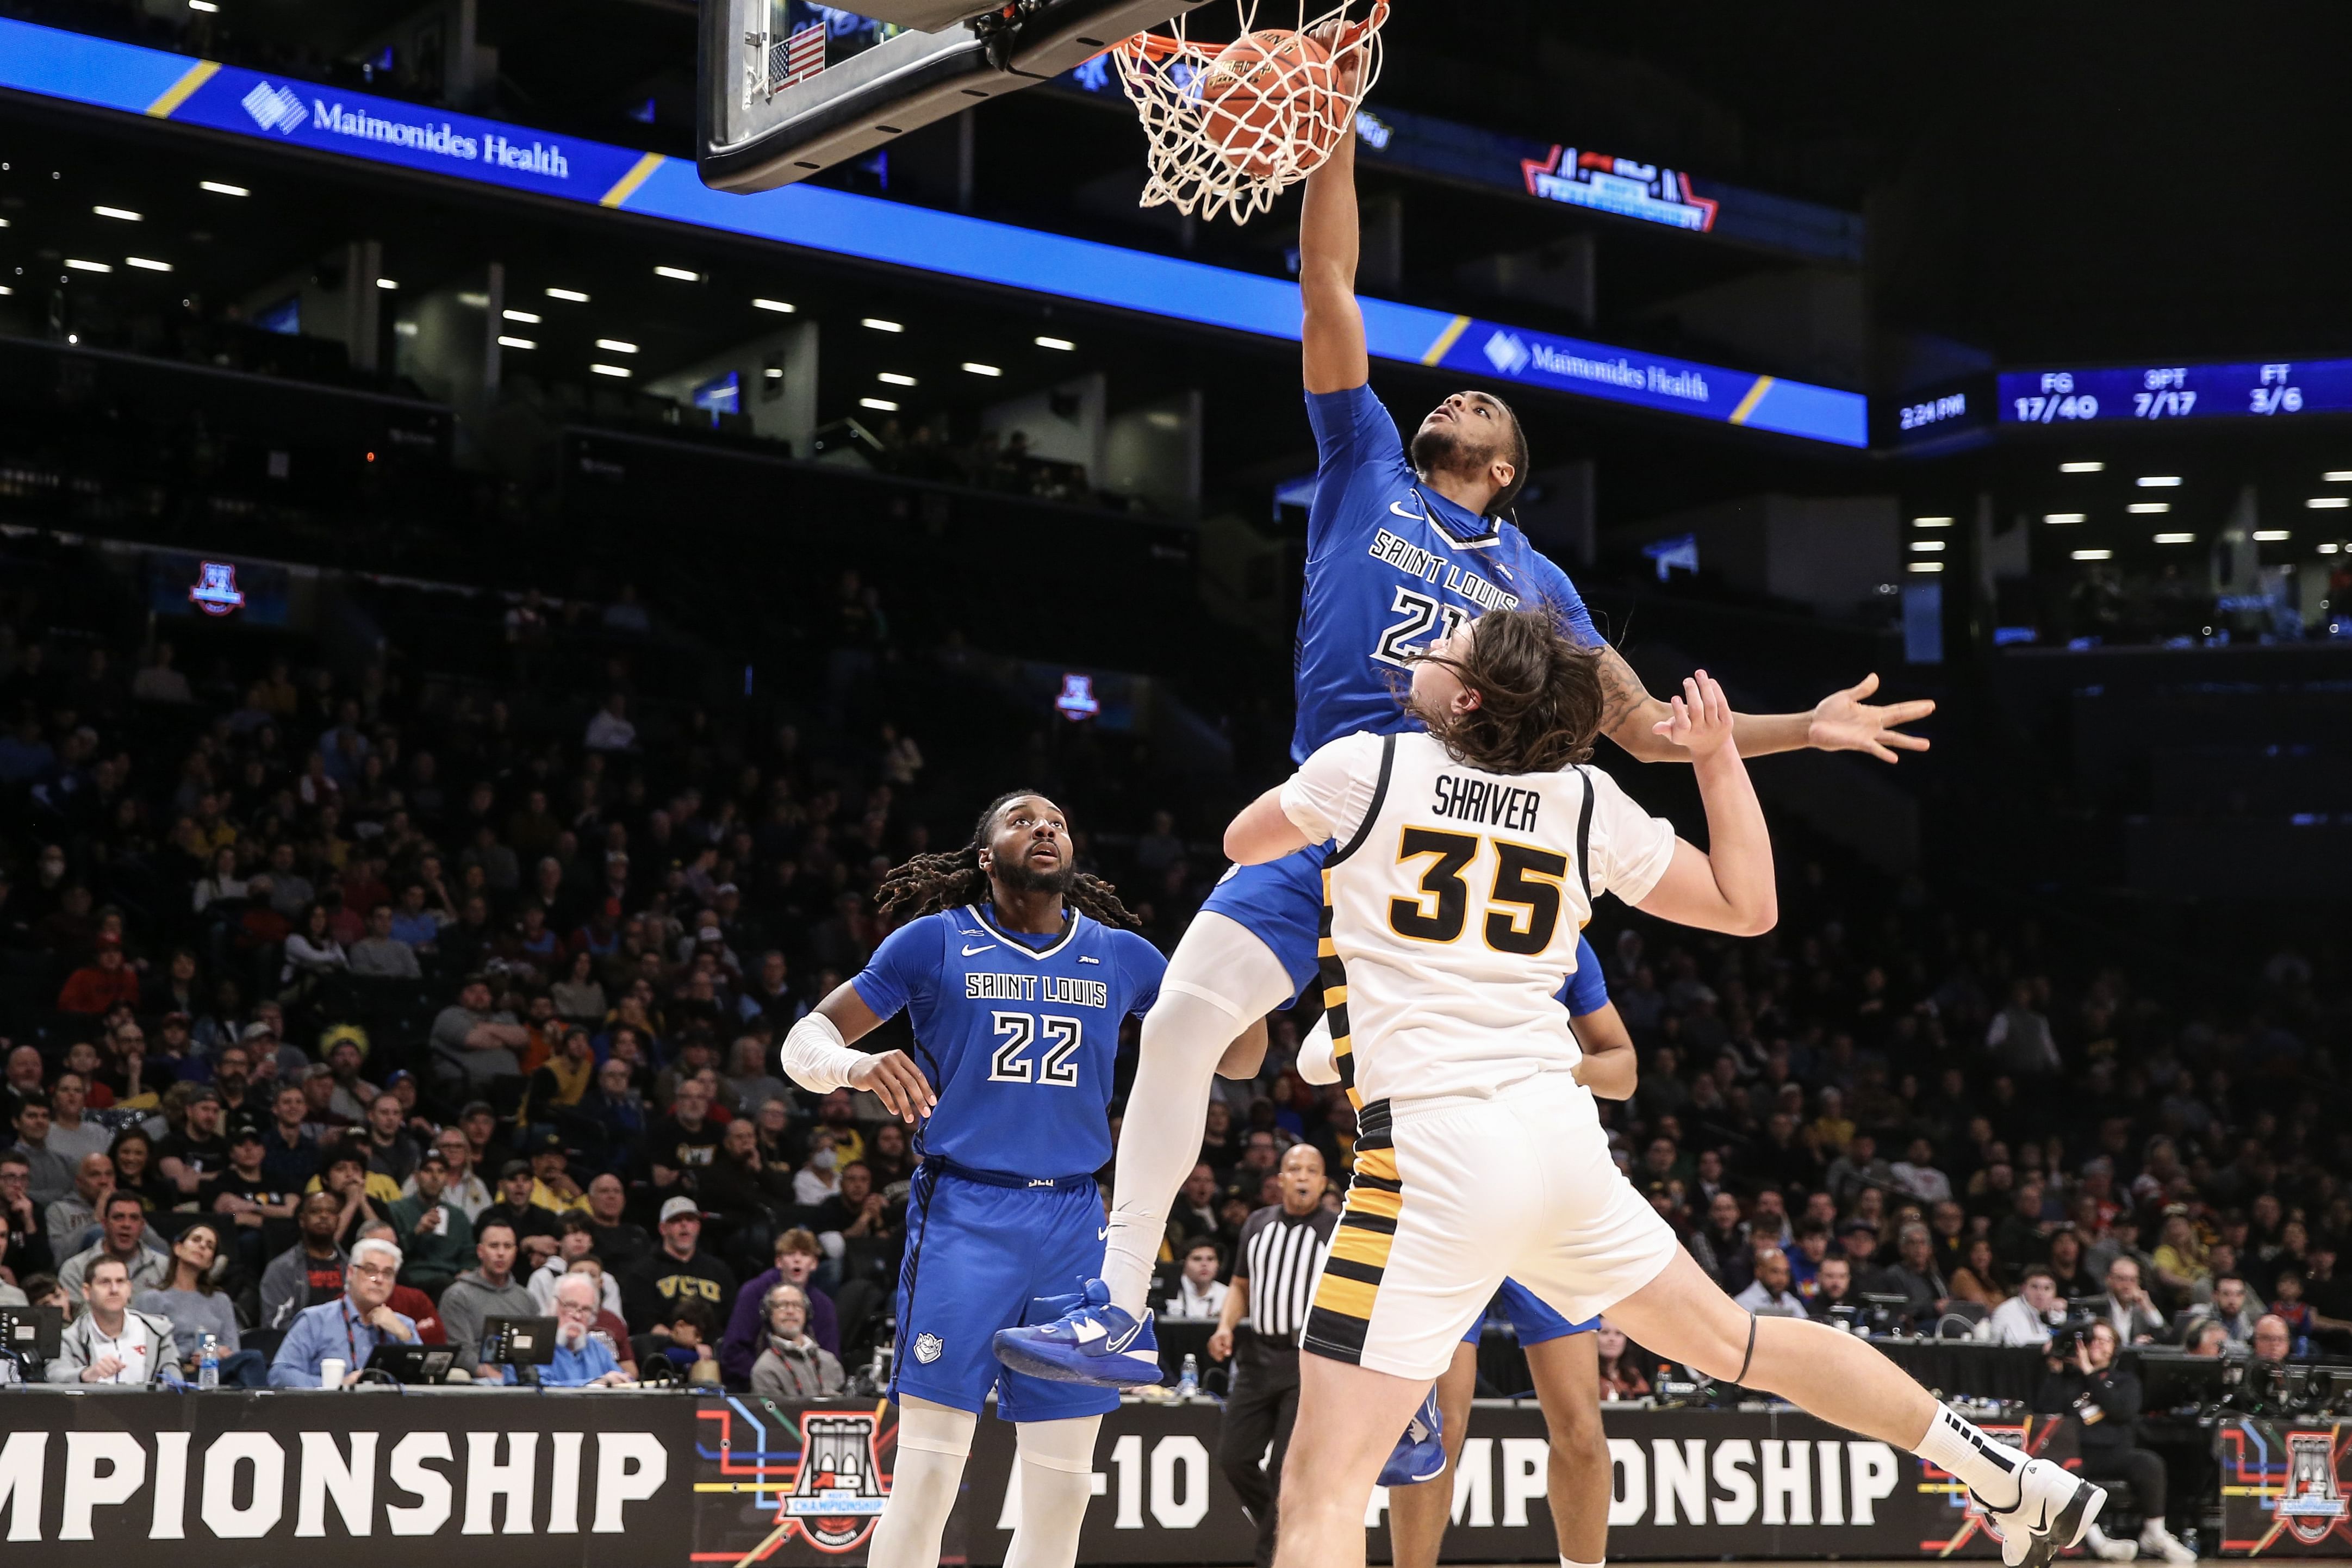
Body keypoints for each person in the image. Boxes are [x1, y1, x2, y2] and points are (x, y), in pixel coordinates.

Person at [1022, 76, 1934, 1417]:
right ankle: (1113, 1295)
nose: (1462, 398)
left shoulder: (1540, 587)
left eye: (1492, 412)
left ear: (1508, 469)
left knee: (1344, 1071)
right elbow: (1329, 281)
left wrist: (1806, 728)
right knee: (1174, 1026)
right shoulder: (1365, 463)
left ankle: (1336, 1083)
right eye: (1456, 397)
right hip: (1327, 813)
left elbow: (1651, 732)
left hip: (1432, 845)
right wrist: (1326, 124)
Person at [1018, 609, 2089, 1568]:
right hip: (1558, 1143)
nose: (1427, 648)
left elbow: (1244, 841)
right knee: (1739, 1344)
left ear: (1469, 696)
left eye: (1448, 649)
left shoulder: (1371, 765)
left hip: (1432, 1160)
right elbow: (1748, 903)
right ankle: (2006, 1474)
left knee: (1322, 1490)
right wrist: (1717, 757)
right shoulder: (1585, 799)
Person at [774, 790, 1211, 1568]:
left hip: (1076, 1223)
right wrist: (858, 1064)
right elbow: (801, 1043)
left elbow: (1231, 1051)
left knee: (1063, 1488)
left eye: (1058, 822)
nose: (1044, 827)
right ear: (985, 857)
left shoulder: (1123, 956)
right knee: (929, 1474)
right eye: (1021, 819)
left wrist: (1234, 997)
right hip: (963, 1217)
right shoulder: (933, 943)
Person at [1376, 948, 1640, 1568]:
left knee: (1578, 1427)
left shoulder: (1558, 929)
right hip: (1446, 1190)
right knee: (1439, 1425)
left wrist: (1556, 1067)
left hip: (1543, 1192)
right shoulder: (1425, 923)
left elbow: (1623, 1069)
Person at [1206, 1144, 1337, 1568]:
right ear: (1278, 1179)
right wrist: (1226, 1326)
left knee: (1285, 1468)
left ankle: (1273, 1559)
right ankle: (1292, 1531)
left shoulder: (1336, 1231)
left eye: (1311, 1171)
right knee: (1234, 1457)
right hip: (1257, 1357)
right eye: (1293, 1169)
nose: (1302, 1176)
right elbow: (1240, 1286)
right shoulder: (1258, 1225)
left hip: (1308, 1362)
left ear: (1323, 1181)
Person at [2034, 1320, 2195, 1563]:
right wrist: (2056, 1372)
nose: (2098, 1345)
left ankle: (2155, 1533)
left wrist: (2091, 1374)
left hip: (2114, 1453)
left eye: (2105, 1340)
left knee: (2149, 1463)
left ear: (2115, 1348)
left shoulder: (2125, 1381)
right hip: (2079, 1455)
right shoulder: (2066, 1381)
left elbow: (2121, 1411)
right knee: (2067, 1470)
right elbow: (2046, 1413)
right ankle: (2097, 1540)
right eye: (2092, 1340)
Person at [269, 1234, 417, 1387]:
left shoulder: (405, 1326)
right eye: (370, 1271)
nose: (379, 1279)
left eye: (387, 1273)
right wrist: (335, 1386)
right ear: (351, 1273)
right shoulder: (315, 1320)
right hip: (329, 1409)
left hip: (390, 1410)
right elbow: (280, 1375)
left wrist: (404, 1335)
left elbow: (427, 1380)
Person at [135, 1220, 265, 1387]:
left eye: (210, 1246)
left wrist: (212, 1354)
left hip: (214, 1371)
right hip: (175, 1373)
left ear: (210, 1262)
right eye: (196, 1240)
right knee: (249, 1366)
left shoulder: (220, 1300)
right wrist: (194, 1354)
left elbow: (233, 1350)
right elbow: (146, 1352)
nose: (203, 1246)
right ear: (178, 1248)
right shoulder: (151, 1299)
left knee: (250, 1362)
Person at [720, 1227, 841, 1382]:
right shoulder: (753, 1293)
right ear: (779, 1262)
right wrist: (770, 1378)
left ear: (814, 1264)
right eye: (790, 1254)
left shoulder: (824, 1305)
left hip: (809, 1389)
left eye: (805, 1255)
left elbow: (830, 1357)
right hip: (757, 1385)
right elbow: (733, 1353)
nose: (797, 1260)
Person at [48, 1255, 180, 1384]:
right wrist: (86, 1374)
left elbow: (176, 1379)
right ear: (87, 1292)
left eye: (120, 1281)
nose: (114, 1290)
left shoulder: (158, 1332)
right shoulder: (68, 1339)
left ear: (129, 1288)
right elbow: (55, 1375)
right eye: (105, 1282)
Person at [620, 1196, 738, 1333]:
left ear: (698, 1227)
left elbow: (733, 1318)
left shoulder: (720, 1271)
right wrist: (678, 1341)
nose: (684, 1225)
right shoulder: (643, 1271)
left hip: (714, 1350)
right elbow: (641, 1320)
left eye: (690, 1219)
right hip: (664, 1349)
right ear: (663, 1228)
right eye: (676, 1220)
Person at [439, 1218, 538, 1382]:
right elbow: (461, 1354)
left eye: (508, 1246)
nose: (501, 1253)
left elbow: (535, 1352)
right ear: (480, 1251)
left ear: (515, 1251)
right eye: (494, 1246)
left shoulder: (526, 1298)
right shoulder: (457, 1296)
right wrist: (503, 1381)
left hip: (524, 1383)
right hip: (478, 1384)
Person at [388, 1149, 476, 1296]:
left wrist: (466, 1271)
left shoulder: (458, 1216)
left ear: (447, 1178)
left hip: (451, 1283)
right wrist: (416, 1232)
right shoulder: (396, 1210)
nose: (435, 1177)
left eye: (441, 1172)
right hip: (410, 1281)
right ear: (416, 1177)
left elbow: (470, 1256)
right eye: (428, 1171)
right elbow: (389, 1252)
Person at [259, 1191, 351, 1330]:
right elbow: (275, 1326)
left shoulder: (352, 1268)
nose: (324, 1216)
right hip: (300, 1346)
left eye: (331, 1212)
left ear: (338, 1221)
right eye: (315, 1211)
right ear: (302, 1220)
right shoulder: (282, 1268)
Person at [59, 1190, 170, 1302]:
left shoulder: (164, 1267)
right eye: (119, 1217)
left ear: (142, 1226)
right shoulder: (75, 1269)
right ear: (105, 1224)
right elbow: (72, 1317)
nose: (126, 1225)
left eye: (134, 1218)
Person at [750, 1281, 847, 1399]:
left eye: (797, 1305)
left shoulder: (829, 1362)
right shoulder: (765, 1369)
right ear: (769, 1314)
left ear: (807, 1314)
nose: (790, 1311)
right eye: (782, 1305)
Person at [542, 1271, 634, 1387]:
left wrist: (622, 1381)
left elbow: (623, 1382)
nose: (577, 1316)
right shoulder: (536, 1346)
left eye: (586, 1309)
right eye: (571, 1306)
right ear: (554, 1306)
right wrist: (595, 1384)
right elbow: (535, 1389)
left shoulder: (597, 1349)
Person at [2094, 1256, 2168, 1345]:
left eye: (2133, 1280)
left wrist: (2149, 1308)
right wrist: (2132, 1347)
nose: (2127, 1285)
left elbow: (2166, 1338)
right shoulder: (2096, 1306)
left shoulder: (2141, 1311)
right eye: (2121, 1279)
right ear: (2109, 1280)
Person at [1992, 1266, 2065, 1347]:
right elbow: (2016, 1346)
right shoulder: (2007, 1311)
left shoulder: (2053, 1312)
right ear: (2023, 1289)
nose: (2040, 1294)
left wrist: (2067, 1310)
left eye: (2047, 1288)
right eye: (2035, 1287)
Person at [1169, 1239, 1230, 1320]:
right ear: (1183, 1264)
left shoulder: (1228, 1295)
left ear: (1219, 1264)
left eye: (1210, 1259)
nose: (1204, 1264)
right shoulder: (1169, 1291)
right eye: (1197, 1259)